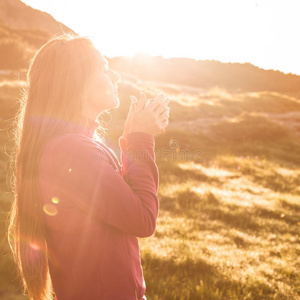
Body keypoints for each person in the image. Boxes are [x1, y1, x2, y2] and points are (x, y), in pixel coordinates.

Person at [7, 34, 170, 300]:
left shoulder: (76, 145)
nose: (115, 76)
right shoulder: (73, 151)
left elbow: (121, 204)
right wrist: (140, 139)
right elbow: (142, 218)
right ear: (77, 82)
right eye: (105, 69)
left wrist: (132, 136)